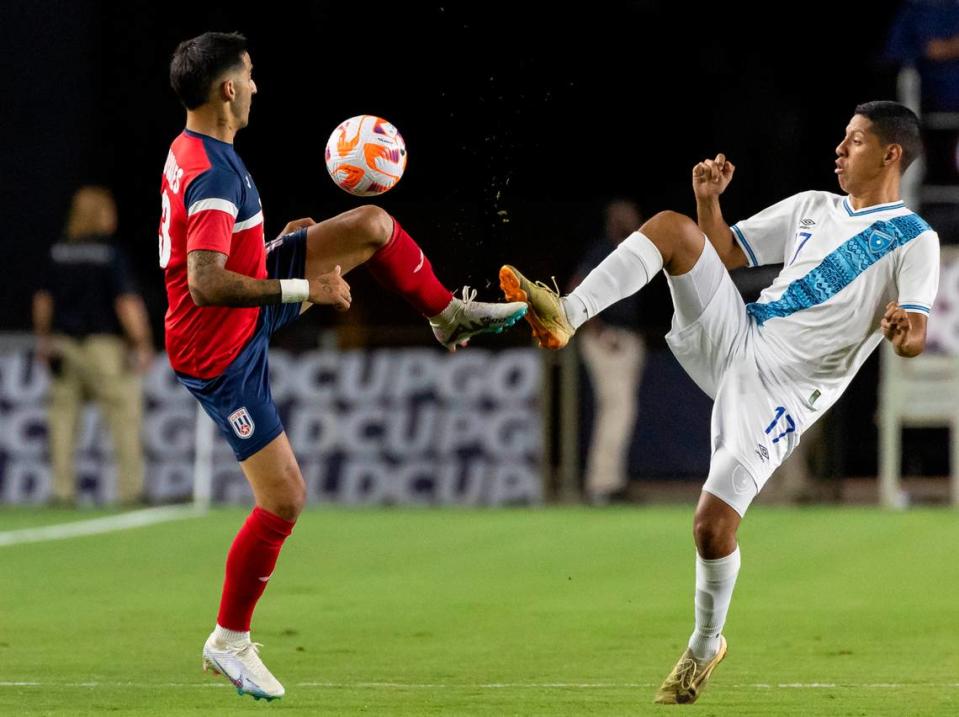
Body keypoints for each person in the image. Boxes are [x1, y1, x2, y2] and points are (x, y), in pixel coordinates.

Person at [500, 101, 939, 704]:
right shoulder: (812, 206)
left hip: (784, 390)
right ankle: (567, 313)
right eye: (842, 138)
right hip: (741, 333)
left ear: (891, 154)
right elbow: (727, 252)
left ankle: (705, 645)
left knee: (711, 529)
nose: (840, 149)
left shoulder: (915, 239)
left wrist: (900, 331)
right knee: (673, 228)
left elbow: (915, 332)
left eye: (855, 140)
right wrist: (708, 203)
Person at [160, 32, 526, 701]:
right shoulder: (213, 171)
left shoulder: (202, 152)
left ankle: (445, 313)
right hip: (219, 347)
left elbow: (217, 251)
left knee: (371, 227)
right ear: (227, 89)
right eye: (250, 75)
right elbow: (206, 282)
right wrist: (307, 287)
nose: (256, 86)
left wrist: (273, 246)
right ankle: (228, 642)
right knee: (284, 497)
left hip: (244, 296)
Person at [32, 186, 153, 506]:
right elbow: (125, 301)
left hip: (63, 344)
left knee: (62, 419)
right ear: (101, 214)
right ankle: (130, 491)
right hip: (104, 347)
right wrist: (141, 342)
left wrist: (44, 340)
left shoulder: (59, 251)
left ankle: (62, 490)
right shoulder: (110, 253)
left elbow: (43, 300)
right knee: (124, 415)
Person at [574, 199, 647, 504]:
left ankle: (611, 482)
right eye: (625, 217)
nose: (632, 220)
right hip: (607, 337)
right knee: (616, 409)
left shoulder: (634, 252)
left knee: (621, 411)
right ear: (613, 221)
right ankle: (601, 485)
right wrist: (600, 331)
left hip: (626, 337)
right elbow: (577, 288)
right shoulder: (603, 250)